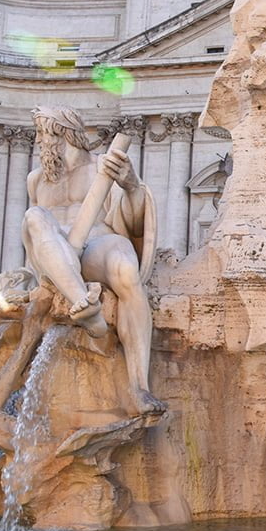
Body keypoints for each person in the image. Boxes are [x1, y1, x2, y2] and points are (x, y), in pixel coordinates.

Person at [21, 107, 164, 416]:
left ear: (63, 133)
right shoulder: (36, 180)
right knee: (34, 216)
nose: (39, 141)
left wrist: (131, 186)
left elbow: (135, 223)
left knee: (126, 269)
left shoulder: (103, 166)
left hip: (97, 243)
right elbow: (37, 237)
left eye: (44, 133)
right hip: (56, 257)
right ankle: (86, 309)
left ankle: (140, 387)